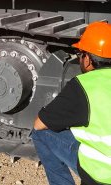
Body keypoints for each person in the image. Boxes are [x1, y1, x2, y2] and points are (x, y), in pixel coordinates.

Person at [31, 21, 111, 185]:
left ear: (87, 59)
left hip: (102, 176)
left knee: (40, 133)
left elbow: (39, 124)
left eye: (80, 53)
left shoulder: (84, 86)